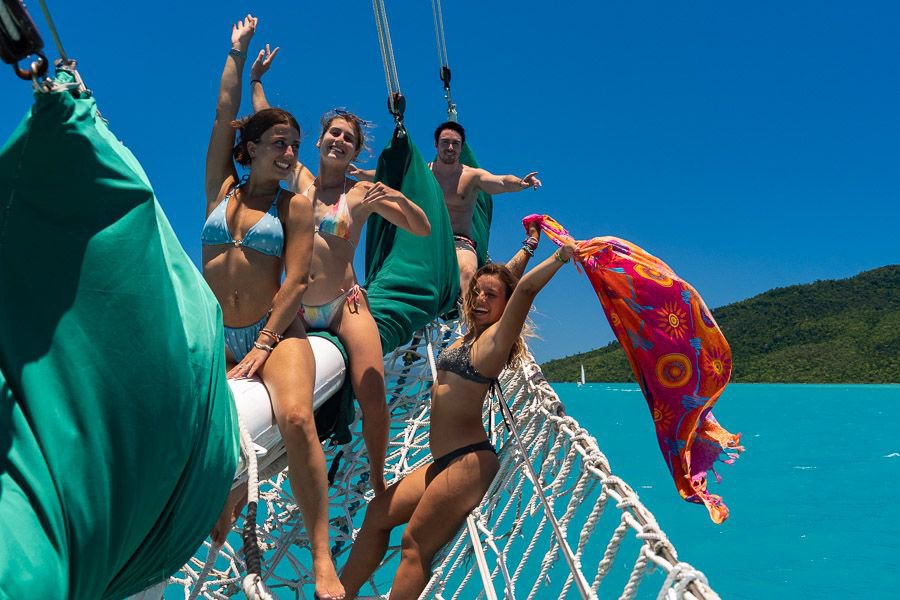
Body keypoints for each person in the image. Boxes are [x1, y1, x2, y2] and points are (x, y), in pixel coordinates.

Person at [339, 234, 578, 600]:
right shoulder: (470, 335)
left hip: (469, 461)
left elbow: (523, 290)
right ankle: (342, 594)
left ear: (505, 305)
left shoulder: (496, 340)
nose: (481, 300)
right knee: (377, 515)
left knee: (414, 544)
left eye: (490, 296)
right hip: (443, 461)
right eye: (477, 293)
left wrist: (560, 256)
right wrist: (527, 247)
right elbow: (508, 277)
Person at [202, 16, 343, 599]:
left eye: (294, 144)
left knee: (294, 418)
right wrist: (236, 54)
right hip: (214, 330)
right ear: (253, 147)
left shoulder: (297, 206)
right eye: (280, 143)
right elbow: (221, 115)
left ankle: (319, 557)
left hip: (274, 331)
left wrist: (263, 345)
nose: (290, 152)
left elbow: (297, 279)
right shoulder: (221, 188)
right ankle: (225, 497)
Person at [249, 47, 432, 496]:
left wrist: (395, 196)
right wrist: (255, 80)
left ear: (355, 149)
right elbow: (268, 122)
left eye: (347, 138)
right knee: (274, 393)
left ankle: (376, 475)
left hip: (343, 305)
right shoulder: (301, 181)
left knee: (372, 391)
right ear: (319, 140)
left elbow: (421, 228)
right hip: (295, 305)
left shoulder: (362, 192)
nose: (339, 141)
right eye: (333, 133)